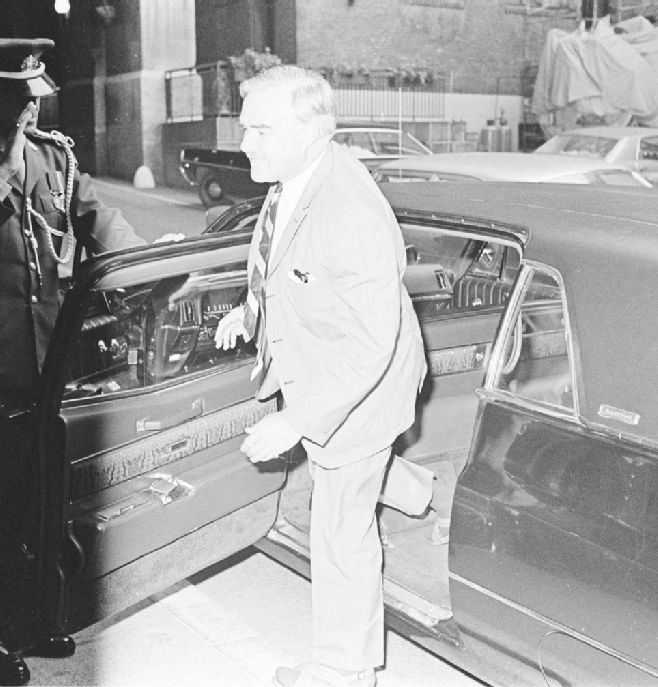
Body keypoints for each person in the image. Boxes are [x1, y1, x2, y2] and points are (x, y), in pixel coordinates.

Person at [0, 38, 146, 687]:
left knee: (42, 502)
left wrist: (145, 264)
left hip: (47, 360)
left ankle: (37, 618)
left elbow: (98, 220)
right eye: (18, 96)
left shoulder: (55, 155)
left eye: (35, 94)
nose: (31, 108)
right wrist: (1, 179)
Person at [215, 65, 435, 687]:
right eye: (245, 128)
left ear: (314, 131)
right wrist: (249, 310)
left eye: (261, 130)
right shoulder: (293, 176)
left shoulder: (350, 211)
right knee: (352, 476)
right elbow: (281, 260)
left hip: (361, 390)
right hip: (330, 370)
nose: (245, 144)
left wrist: (296, 421)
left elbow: (371, 345)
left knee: (340, 531)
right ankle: (417, 492)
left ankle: (346, 667)